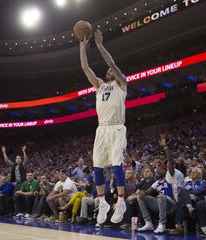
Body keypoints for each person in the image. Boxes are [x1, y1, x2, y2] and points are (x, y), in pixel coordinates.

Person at [79, 29, 128, 225]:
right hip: (101, 129)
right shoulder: (99, 85)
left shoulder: (122, 83)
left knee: (116, 166)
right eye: (108, 71)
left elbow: (111, 63)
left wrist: (99, 46)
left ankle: (121, 202)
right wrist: (82, 46)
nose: (108, 71)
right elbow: (85, 68)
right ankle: (103, 203)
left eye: (111, 71)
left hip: (117, 128)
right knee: (97, 169)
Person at [137, 163, 175, 234]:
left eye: (160, 169)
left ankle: (162, 224)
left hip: (171, 204)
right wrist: (143, 193)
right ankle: (148, 223)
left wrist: (167, 151)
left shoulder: (169, 178)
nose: (158, 171)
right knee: (140, 197)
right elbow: (148, 191)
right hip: (160, 203)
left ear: (166, 171)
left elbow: (171, 165)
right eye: (157, 170)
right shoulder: (157, 183)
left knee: (161, 195)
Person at [170, 167, 206, 235]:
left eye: (194, 172)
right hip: (188, 202)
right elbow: (181, 192)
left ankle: (179, 227)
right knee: (182, 192)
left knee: (182, 197)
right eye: (191, 172)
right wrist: (188, 196)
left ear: (199, 174)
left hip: (197, 201)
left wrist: (189, 194)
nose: (192, 173)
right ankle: (189, 207)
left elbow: (199, 190)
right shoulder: (188, 183)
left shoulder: (203, 182)